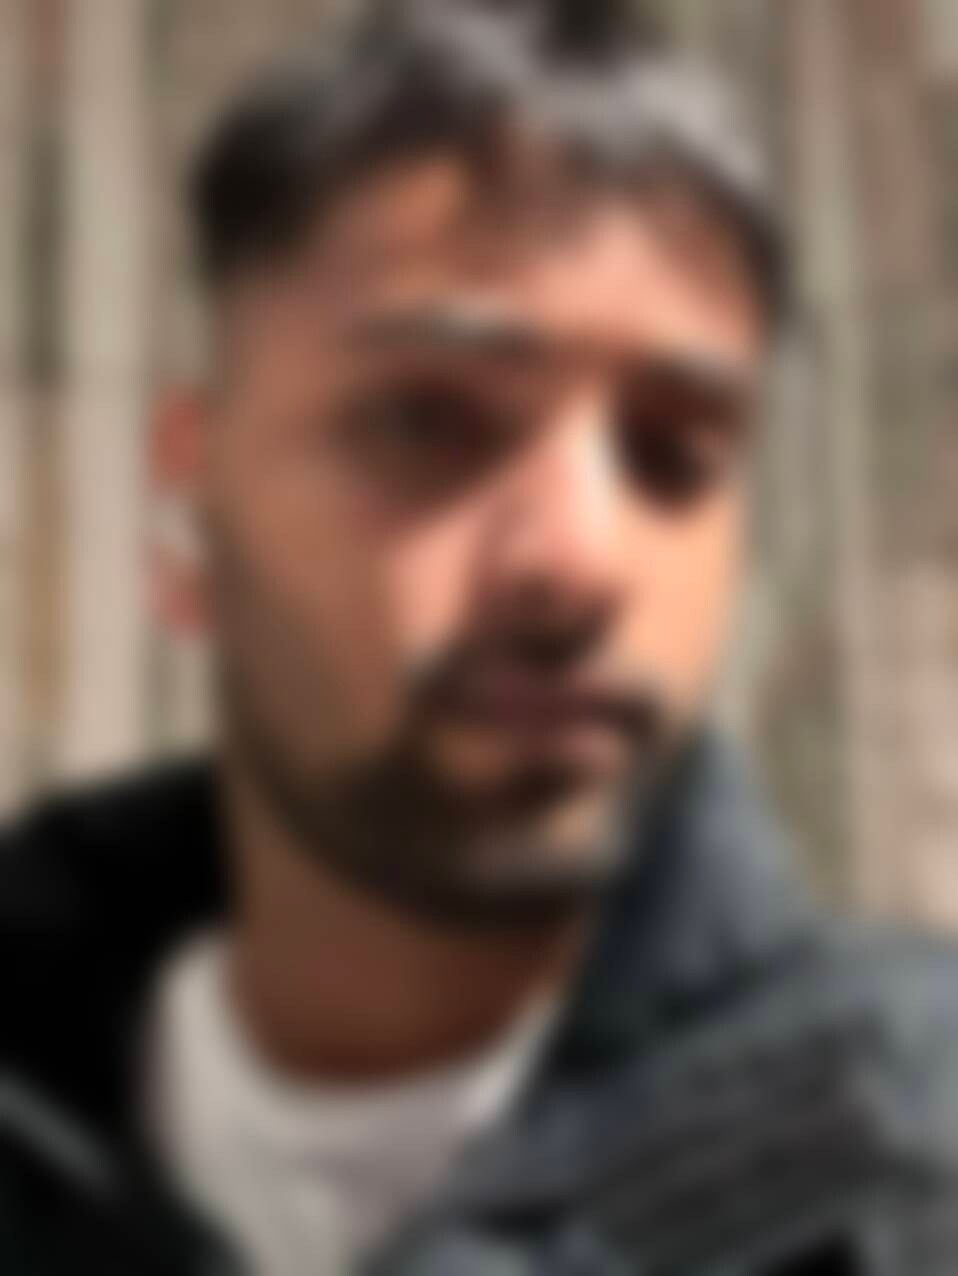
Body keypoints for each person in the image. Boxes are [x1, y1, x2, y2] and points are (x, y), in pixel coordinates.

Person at [3, 1, 958, 1272]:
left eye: (671, 452)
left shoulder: (910, 1163)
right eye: (426, 422)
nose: (579, 559)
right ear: (191, 512)